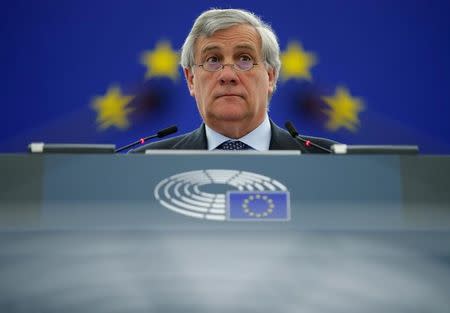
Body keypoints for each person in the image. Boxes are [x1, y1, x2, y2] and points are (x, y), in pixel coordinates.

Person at [132, 8, 336, 153]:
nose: (228, 75)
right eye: (212, 60)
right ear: (191, 79)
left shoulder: (328, 160)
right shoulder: (146, 165)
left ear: (271, 76)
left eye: (245, 59)